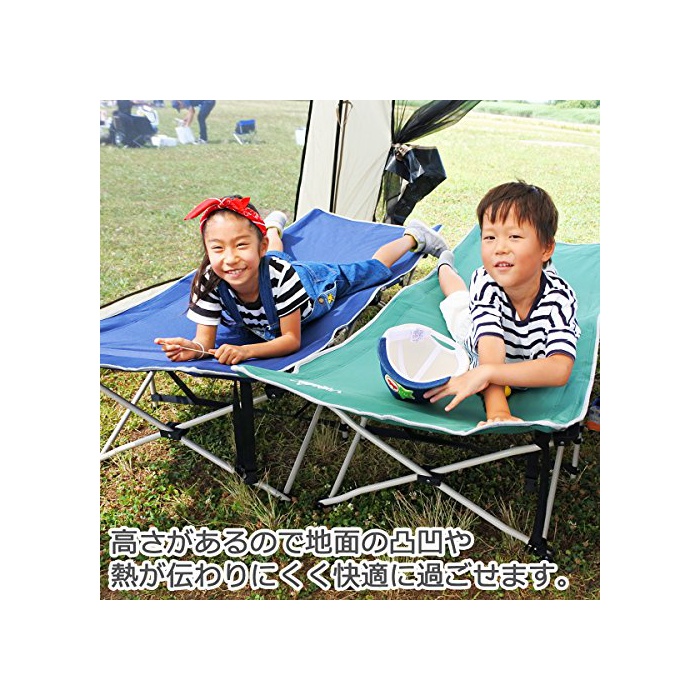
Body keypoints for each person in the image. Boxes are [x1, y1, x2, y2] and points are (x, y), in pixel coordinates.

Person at [155, 195, 447, 365]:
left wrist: (246, 351)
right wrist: (193, 349)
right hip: (271, 266)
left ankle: (414, 237)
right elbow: (204, 342)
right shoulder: (210, 280)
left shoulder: (281, 279)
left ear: (258, 247)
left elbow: (291, 340)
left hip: (314, 284)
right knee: (277, 257)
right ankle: (272, 228)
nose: (229, 258)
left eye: (241, 245)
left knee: (373, 269)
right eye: (218, 248)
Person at [423, 180, 581, 425]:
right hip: (477, 340)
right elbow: (490, 354)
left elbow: (559, 369)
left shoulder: (560, 298)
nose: (500, 248)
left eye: (514, 236)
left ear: (546, 248)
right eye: (489, 237)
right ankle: (444, 260)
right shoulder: (486, 282)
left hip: (516, 359)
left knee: (467, 300)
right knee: (457, 300)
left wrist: (486, 373)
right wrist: (498, 410)